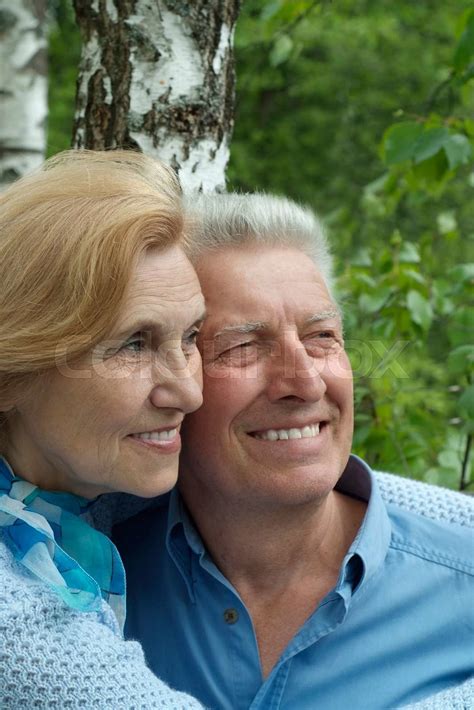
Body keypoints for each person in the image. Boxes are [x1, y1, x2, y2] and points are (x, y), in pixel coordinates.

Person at [115, 193, 474, 710]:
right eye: (242, 347)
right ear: (168, 383)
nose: (304, 382)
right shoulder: (79, 579)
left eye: (322, 336)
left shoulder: (462, 584)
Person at [0, 150, 205, 708]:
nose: (190, 392)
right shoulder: (12, 624)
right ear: (13, 374)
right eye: (133, 344)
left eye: (191, 336)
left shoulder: (66, 491)